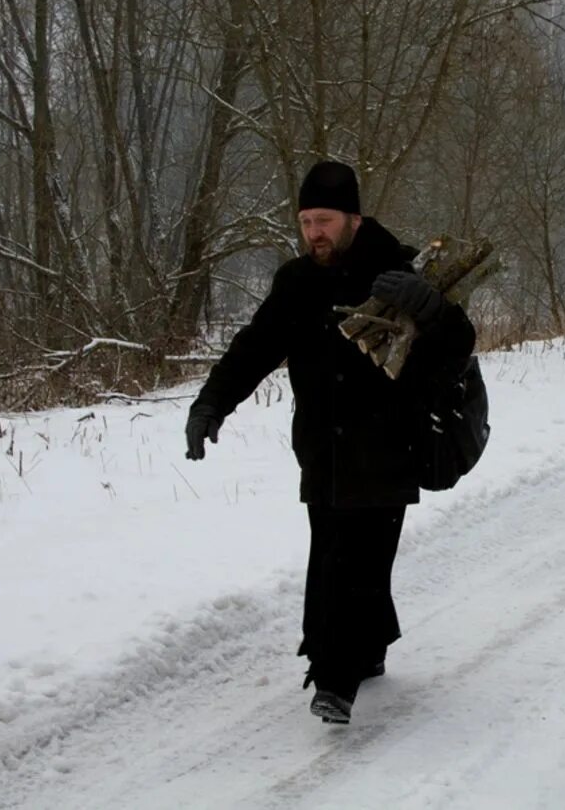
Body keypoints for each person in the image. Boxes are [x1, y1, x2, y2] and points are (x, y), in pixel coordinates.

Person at [183, 160, 477, 723]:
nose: (314, 232)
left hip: (389, 446)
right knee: (342, 555)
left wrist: (431, 307)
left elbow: (458, 346)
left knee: (350, 564)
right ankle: (368, 650)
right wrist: (211, 402)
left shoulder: (401, 269)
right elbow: (256, 346)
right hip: (321, 448)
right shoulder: (296, 282)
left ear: (354, 219)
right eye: (305, 221)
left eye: (324, 220)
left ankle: (335, 680)